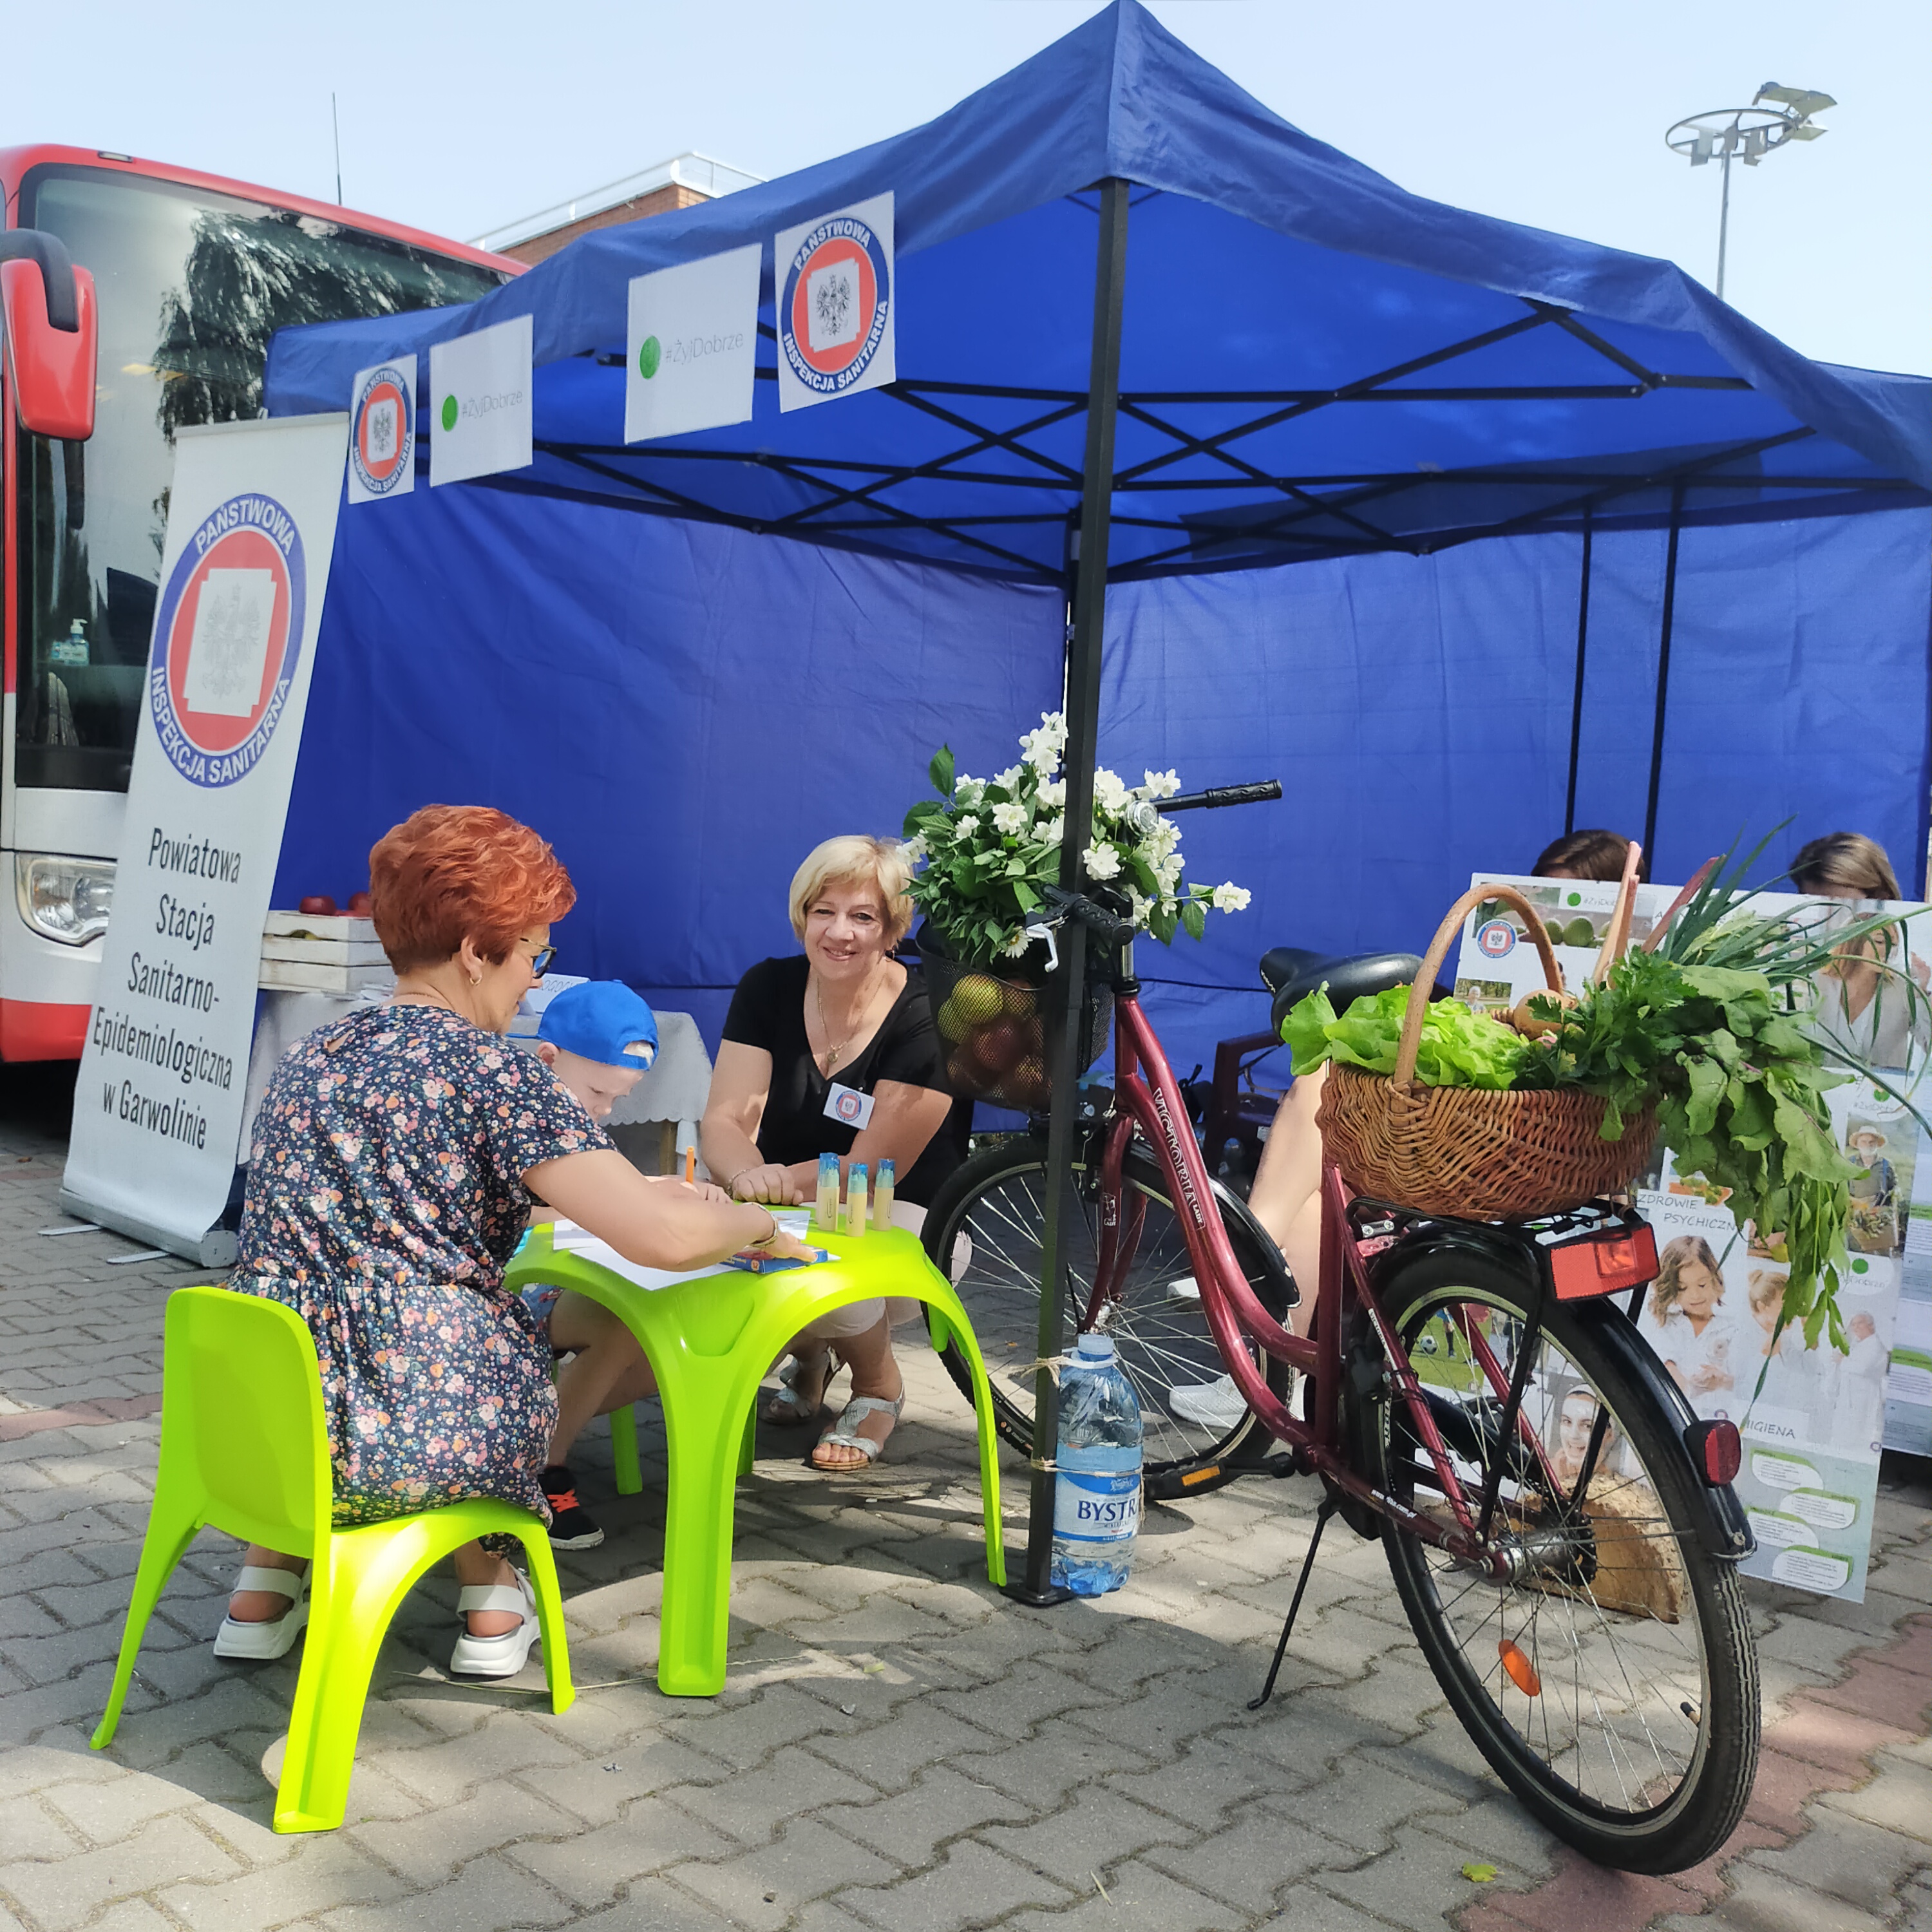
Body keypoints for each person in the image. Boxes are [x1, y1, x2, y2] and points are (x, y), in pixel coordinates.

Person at [214, 807, 811, 1678]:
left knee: (371, 1324)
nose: (533, 983)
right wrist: (756, 1220)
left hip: (260, 1419)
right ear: (473, 951)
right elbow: (664, 1237)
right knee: (477, 1345)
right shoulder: (495, 1073)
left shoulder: (312, 1054)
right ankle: (491, 1600)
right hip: (414, 1431)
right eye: (534, 952)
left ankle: (264, 1587)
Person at [1246, 828, 1644, 1295]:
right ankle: (1264, 1320)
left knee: (1321, 1079)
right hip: (1467, 1145)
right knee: (1313, 1203)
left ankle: (1245, 1252)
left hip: (1511, 1166)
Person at [701, 835, 967, 1470]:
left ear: (893, 929)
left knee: (829, 1278)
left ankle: (878, 1384)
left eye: (863, 916)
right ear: (802, 916)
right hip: (784, 1203)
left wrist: (767, 1190)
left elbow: (866, 1174)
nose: (839, 932)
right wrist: (748, 1179)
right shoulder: (768, 986)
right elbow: (724, 1122)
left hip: (904, 1216)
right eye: (824, 911)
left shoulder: (930, 1013)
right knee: (715, 1267)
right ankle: (812, 1356)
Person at [520, 980, 672, 1550]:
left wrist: (657, 1192)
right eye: (597, 1092)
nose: (604, 1110)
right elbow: (517, 1209)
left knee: (652, 1321)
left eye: (618, 1099)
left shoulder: (576, 1119)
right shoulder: (516, 1115)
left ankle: (531, 1438)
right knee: (618, 1324)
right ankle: (544, 1465)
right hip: (503, 1285)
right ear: (548, 1060)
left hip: (554, 1277)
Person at [1790, 831, 1929, 1072]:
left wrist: (1922, 995)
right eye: (1812, 903)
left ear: (1882, 899)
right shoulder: (1809, 980)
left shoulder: (1905, 990)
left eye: (1841, 904)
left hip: (1883, 1097)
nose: (1887, 950)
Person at [1643, 1235, 1736, 1420]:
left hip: (1724, 1420)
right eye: (1682, 1288)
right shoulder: (1668, 1326)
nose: (1695, 1295)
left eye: (1702, 1285)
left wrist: (1723, 1381)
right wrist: (1693, 1387)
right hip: (1678, 1421)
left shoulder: (1731, 1327)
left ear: (1715, 1278)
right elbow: (1668, 1370)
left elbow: (1744, 1383)